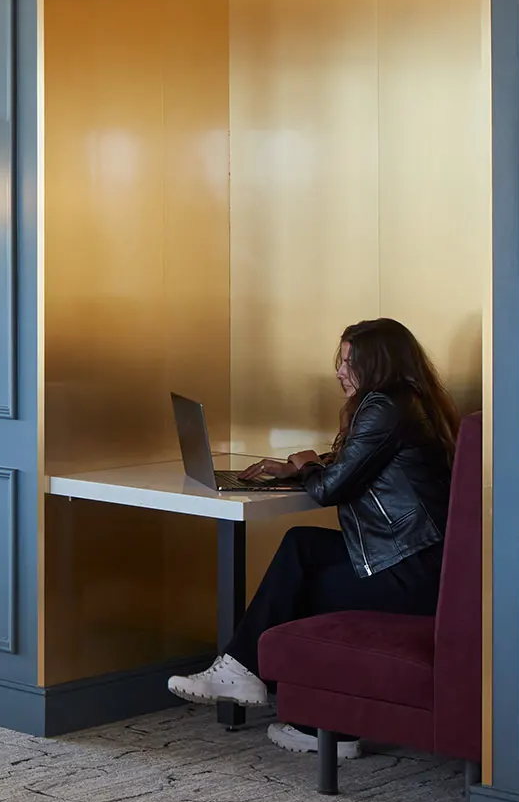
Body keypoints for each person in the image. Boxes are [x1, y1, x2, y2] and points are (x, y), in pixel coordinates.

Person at [166, 318, 461, 760]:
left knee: (300, 582)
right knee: (302, 547)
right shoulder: (406, 402)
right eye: (340, 361)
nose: (340, 371)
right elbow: (363, 462)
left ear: (376, 364)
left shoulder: (382, 404)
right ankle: (250, 676)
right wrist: (303, 465)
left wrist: (307, 467)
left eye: (349, 362)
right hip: (419, 561)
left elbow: (329, 488)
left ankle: (317, 721)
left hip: (410, 573)